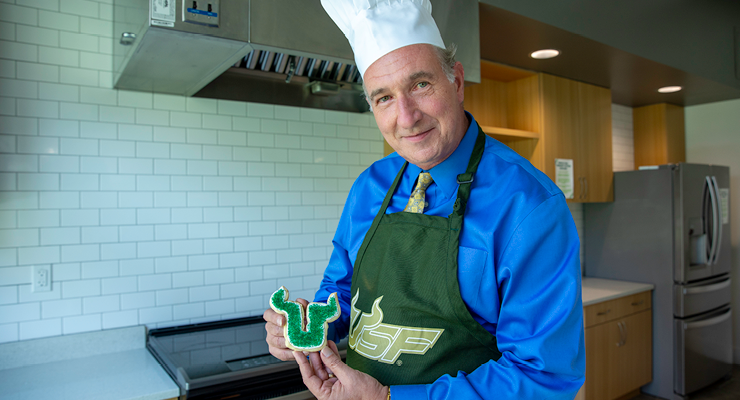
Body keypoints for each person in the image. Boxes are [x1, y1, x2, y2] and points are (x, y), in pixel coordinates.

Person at [263, 1, 586, 399]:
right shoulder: (370, 186)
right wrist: (308, 324)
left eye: (420, 85)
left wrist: (388, 399)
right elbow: (342, 292)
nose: (407, 116)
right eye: (383, 98)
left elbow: (543, 378)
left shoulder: (529, 206)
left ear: (457, 81)